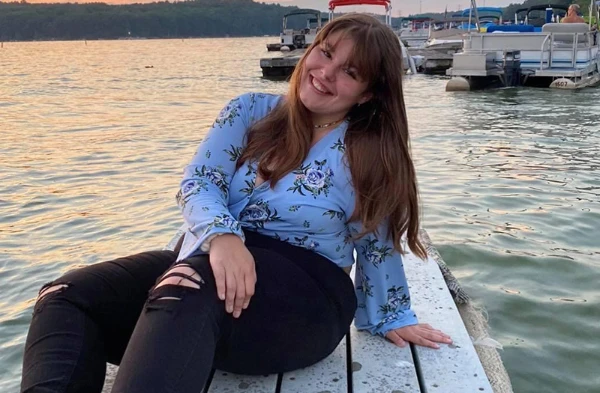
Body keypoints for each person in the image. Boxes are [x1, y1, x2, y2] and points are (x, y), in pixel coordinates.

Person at [20, 13, 452, 393]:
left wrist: (392, 314)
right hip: (211, 259)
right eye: (325, 53)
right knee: (65, 295)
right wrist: (224, 236)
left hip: (306, 299)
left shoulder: (368, 151)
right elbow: (200, 181)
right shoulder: (248, 113)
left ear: (368, 95)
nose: (325, 72)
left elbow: (375, 241)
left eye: (349, 71)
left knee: (187, 283)